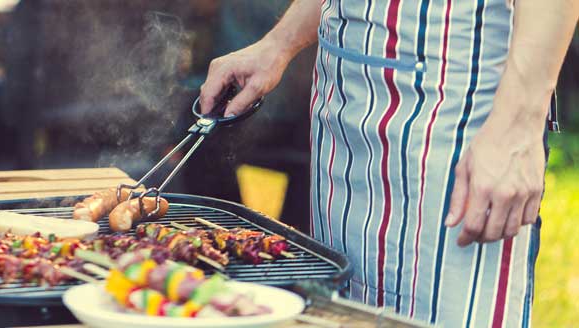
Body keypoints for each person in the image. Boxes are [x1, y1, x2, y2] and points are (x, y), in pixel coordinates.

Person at [199, 0, 577, 326]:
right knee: (339, 311)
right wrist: (278, 44)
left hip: (454, 114)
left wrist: (519, 128)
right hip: (344, 104)